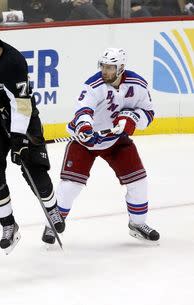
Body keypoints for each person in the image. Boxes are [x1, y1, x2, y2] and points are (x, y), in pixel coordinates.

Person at [0, 26, 64, 254]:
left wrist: (18, 139)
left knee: (33, 165)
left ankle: (52, 210)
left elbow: (22, 104)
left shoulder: (14, 62)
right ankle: (8, 225)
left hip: (23, 117)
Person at [42, 48, 160, 245]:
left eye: (110, 68)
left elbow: (148, 113)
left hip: (115, 140)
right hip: (85, 142)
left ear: (121, 68)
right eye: (103, 66)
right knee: (71, 186)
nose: (105, 71)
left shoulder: (137, 85)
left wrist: (130, 118)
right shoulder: (93, 85)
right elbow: (82, 110)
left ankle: (138, 224)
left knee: (138, 181)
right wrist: (85, 127)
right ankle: (52, 224)